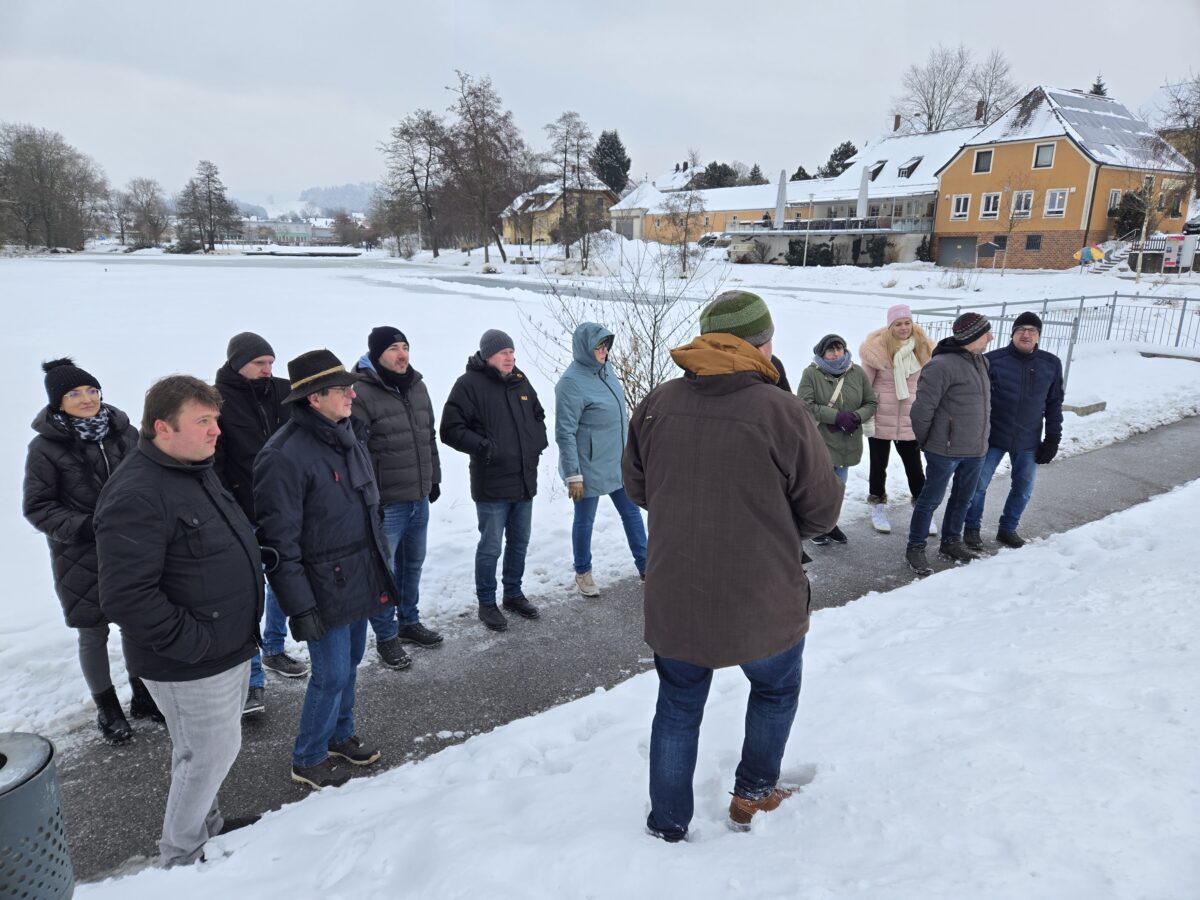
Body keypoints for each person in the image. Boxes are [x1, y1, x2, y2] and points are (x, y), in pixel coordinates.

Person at [622, 290, 843, 842]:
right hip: (761, 593)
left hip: (676, 589)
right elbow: (821, 511)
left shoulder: (657, 403)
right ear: (761, 345)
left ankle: (668, 823)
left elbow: (639, 488)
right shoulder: (781, 410)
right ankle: (754, 793)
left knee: (677, 705)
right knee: (774, 690)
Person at [94, 375, 262, 867]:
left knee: (206, 751)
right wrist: (195, 643)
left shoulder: (193, 469)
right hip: (190, 659)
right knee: (207, 754)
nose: (216, 431)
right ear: (162, 428)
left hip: (226, 642)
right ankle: (182, 853)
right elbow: (126, 596)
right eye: (203, 421)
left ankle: (208, 825)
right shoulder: (137, 493)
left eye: (216, 419)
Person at [254, 350, 396, 790]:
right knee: (330, 673)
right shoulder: (283, 456)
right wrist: (300, 606)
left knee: (350, 663)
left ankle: (340, 735)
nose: (352, 395)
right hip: (322, 584)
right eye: (342, 389)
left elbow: (369, 508)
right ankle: (309, 756)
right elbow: (279, 545)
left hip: (359, 572)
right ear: (314, 398)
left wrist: (380, 566)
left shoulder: (347, 435)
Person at [23, 358, 158, 744]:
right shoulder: (45, 447)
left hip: (132, 547)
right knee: (93, 631)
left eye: (92, 390)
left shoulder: (125, 432)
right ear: (58, 402)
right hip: (80, 555)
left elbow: (150, 479)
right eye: (74, 393)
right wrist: (86, 526)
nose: (86, 398)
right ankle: (108, 708)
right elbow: (38, 507)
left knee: (136, 622)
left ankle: (143, 695)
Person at [213, 332, 308, 717]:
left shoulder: (283, 391)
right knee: (249, 596)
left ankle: (274, 649)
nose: (267, 369)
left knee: (285, 582)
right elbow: (215, 464)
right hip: (243, 513)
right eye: (259, 363)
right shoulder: (218, 400)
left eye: (270, 362)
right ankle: (252, 681)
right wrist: (229, 511)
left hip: (286, 508)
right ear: (237, 363)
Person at [441, 330, 548, 632]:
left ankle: (513, 593)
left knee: (519, 541)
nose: (510, 357)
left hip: (523, 478)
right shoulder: (468, 385)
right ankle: (487, 603)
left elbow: (538, 415)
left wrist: (535, 443)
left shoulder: (520, 381)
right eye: (503, 352)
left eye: (512, 351)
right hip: (492, 483)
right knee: (490, 547)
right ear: (488, 355)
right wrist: (486, 447)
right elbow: (450, 429)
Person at [354, 326, 444, 667]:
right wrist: (370, 498)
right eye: (393, 348)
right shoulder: (361, 391)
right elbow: (358, 451)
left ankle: (408, 621)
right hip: (387, 502)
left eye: (405, 346)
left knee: (412, 564)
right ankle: (386, 636)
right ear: (377, 354)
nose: (402, 354)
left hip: (418, 495)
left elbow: (428, 436)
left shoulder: (417, 386)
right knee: (384, 571)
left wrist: (434, 479)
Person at [554, 322, 647, 596]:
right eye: (599, 347)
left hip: (618, 462)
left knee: (631, 512)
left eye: (606, 346)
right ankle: (583, 572)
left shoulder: (607, 371)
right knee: (585, 520)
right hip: (588, 467)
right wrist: (573, 474)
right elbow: (564, 432)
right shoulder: (570, 383)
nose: (605, 351)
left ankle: (647, 567)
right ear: (585, 348)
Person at [964, 312, 1064, 550]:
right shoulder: (992, 360)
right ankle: (972, 528)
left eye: (1032, 330)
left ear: (1038, 335)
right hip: (993, 437)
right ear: (1013, 333)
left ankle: (1008, 528)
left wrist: (1053, 438)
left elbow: (1054, 404)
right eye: (1021, 329)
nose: (1026, 334)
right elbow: (976, 400)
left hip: (1028, 439)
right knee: (977, 486)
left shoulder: (1051, 364)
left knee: (1023, 488)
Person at [906, 312, 993, 576]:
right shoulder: (940, 365)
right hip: (944, 450)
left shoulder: (982, 362)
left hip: (975, 449)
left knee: (962, 499)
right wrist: (927, 441)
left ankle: (951, 542)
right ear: (972, 336)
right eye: (986, 333)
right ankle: (915, 547)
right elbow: (922, 410)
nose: (991, 337)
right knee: (930, 500)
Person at [858, 304, 935, 535]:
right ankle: (878, 505)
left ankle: (922, 510)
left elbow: (927, 385)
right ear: (890, 326)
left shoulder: (923, 348)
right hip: (881, 416)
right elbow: (864, 387)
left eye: (907, 323)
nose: (903, 328)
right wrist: (866, 414)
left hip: (910, 418)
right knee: (878, 465)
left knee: (915, 467)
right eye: (898, 324)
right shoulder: (877, 350)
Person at [797, 334, 877, 546]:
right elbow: (805, 405)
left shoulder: (857, 372)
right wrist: (836, 417)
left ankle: (830, 524)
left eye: (838, 348)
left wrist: (855, 417)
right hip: (821, 440)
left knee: (838, 488)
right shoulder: (811, 373)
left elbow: (871, 402)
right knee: (818, 487)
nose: (835, 353)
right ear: (822, 353)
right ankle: (815, 526)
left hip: (847, 442)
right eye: (830, 350)